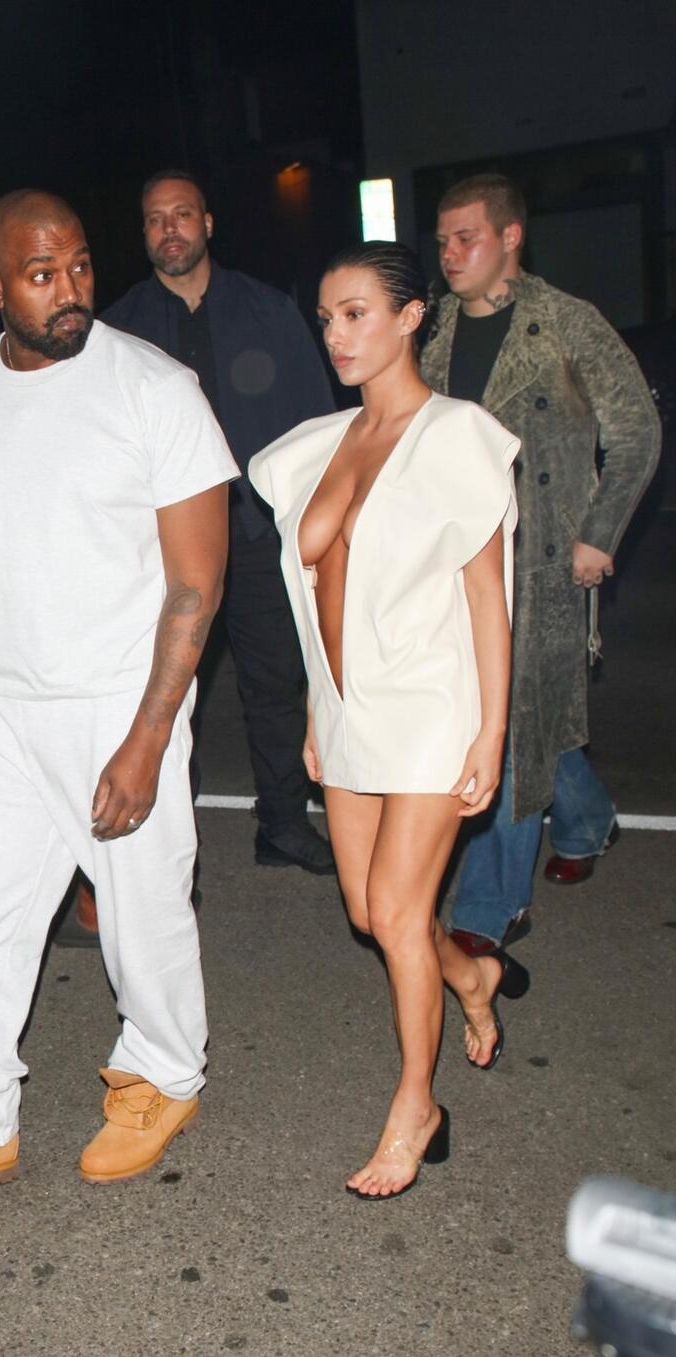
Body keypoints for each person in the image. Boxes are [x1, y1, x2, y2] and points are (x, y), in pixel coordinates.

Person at [0, 190, 238, 1205]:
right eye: (41, 275)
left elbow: (196, 581)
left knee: (141, 909)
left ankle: (163, 1076)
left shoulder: (153, 389)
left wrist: (148, 736)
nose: (70, 289)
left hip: (120, 693)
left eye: (78, 266)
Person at [249, 243, 528, 1199]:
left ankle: (417, 1105)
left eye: (357, 313)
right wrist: (316, 709)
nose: (336, 334)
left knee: (401, 912)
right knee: (370, 912)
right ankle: (470, 976)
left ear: (412, 317)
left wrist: (490, 732)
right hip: (348, 710)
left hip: (430, 707)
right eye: (327, 317)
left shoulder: (455, 436)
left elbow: (488, 599)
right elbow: (315, 593)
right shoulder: (322, 443)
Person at [423, 174, 661, 956]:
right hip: (463, 554)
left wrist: (600, 531)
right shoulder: (436, 327)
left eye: (467, 238)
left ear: (510, 237)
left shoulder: (565, 321)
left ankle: (490, 907)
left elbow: (636, 429)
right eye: (444, 239)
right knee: (527, 711)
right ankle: (588, 819)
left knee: (514, 721)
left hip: (545, 561)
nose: (450, 253)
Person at [102, 170, 337, 877]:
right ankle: (168, 857)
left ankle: (283, 825)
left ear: (207, 223)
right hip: (165, 548)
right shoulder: (117, 331)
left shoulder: (268, 310)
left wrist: (315, 532)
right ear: (143, 234)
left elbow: (318, 427)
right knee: (168, 695)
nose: (168, 229)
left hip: (259, 534)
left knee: (276, 685)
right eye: (154, 219)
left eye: (181, 214)